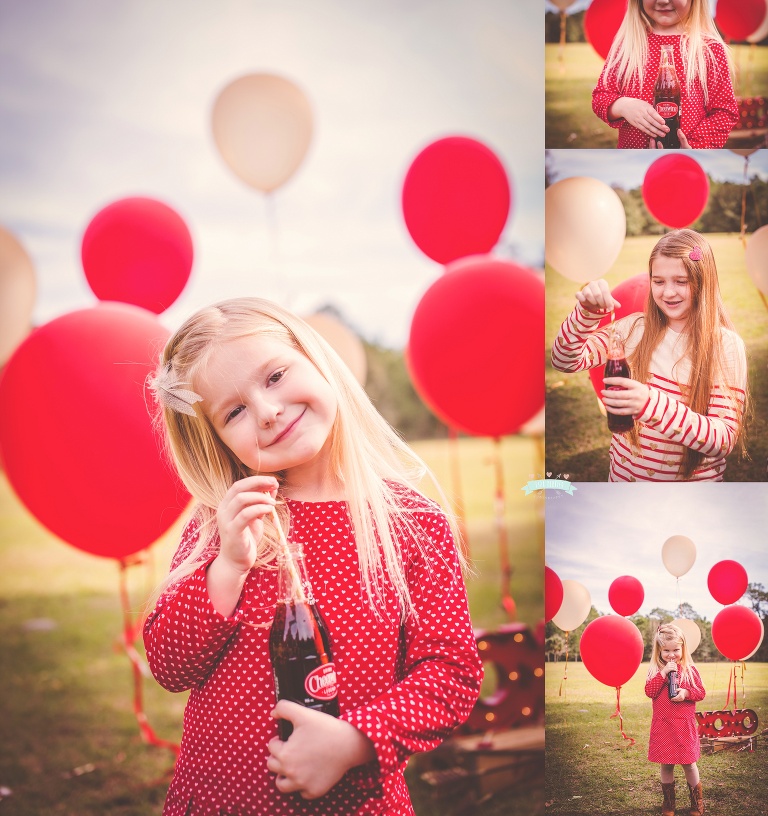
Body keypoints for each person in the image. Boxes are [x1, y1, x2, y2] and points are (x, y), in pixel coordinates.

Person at [142, 297, 483, 815]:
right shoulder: (224, 522)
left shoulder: (413, 525)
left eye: (275, 376)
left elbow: (450, 672)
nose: (267, 410)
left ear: (316, 359)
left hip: (356, 803)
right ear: (218, 441)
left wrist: (355, 740)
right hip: (220, 801)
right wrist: (227, 568)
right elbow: (170, 665)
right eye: (234, 411)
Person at [551, 229, 748, 481]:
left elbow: (723, 439)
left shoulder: (725, 346)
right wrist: (586, 314)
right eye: (658, 281)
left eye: (681, 281)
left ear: (703, 281)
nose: (668, 292)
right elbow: (564, 359)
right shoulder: (633, 329)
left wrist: (649, 404)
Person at [592, 0, 738, 149]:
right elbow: (601, 96)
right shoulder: (627, 45)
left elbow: (724, 112)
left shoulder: (709, 49)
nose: (663, 1)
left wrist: (694, 148)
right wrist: (623, 106)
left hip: (681, 158)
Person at [644, 623, 706, 816]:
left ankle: (697, 803)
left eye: (676, 650)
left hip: (683, 725)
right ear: (659, 651)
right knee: (666, 764)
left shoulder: (689, 670)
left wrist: (686, 692)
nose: (671, 655)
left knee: (689, 764)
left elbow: (701, 692)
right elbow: (649, 691)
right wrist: (663, 674)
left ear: (683, 649)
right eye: (666, 651)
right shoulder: (655, 672)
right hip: (664, 725)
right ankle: (669, 803)